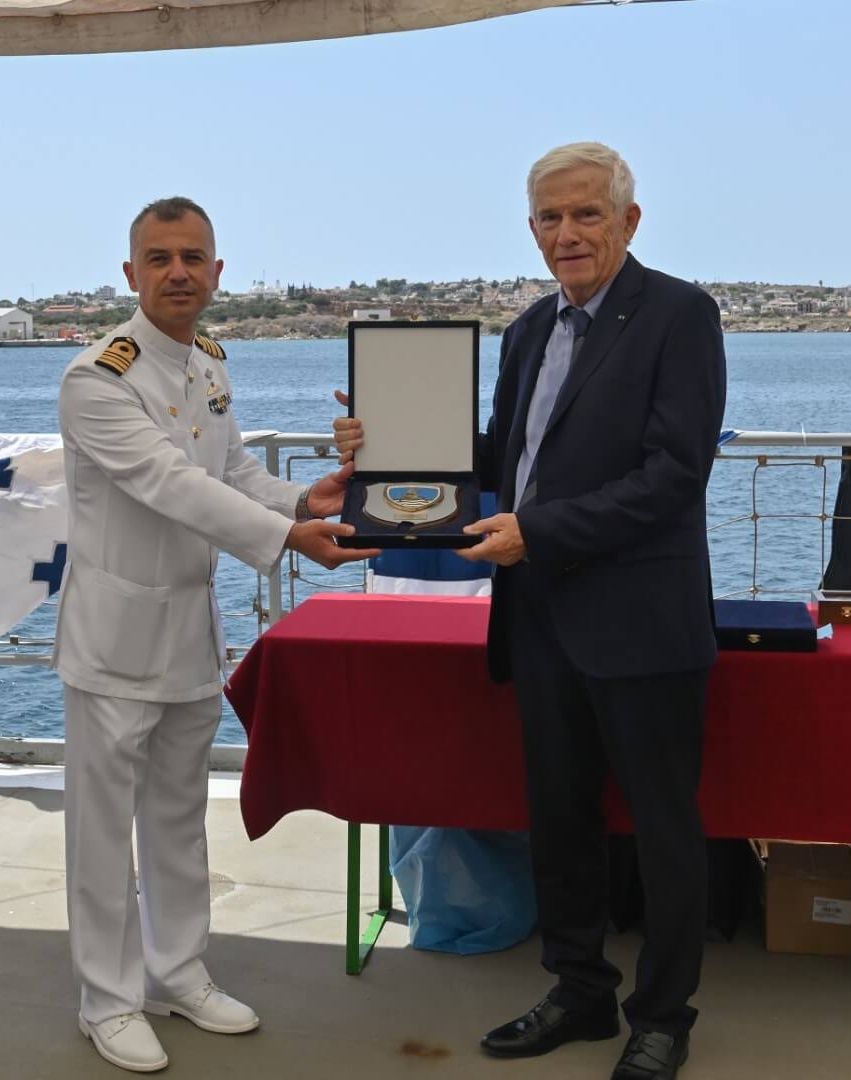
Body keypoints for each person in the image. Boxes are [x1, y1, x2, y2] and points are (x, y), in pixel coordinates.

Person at [334, 142, 726, 1080]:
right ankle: (579, 992)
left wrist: (536, 531)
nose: (566, 233)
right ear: (531, 230)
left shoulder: (680, 315)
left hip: (641, 622)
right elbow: (501, 459)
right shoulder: (525, 331)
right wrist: (385, 440)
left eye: (586, 214)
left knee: (665, 832)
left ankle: (662, 1017)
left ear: (628, 220)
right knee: (559, 821)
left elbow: (673, 476)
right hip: (540, 619)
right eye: (550, 218)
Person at [55, 196, 377, 1073]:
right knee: (100, 834)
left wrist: (303, 497)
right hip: (115, 640)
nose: (178, 273)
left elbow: (229, 471)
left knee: (176, 817)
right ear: (130, 274)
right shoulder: (97, 378)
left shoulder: (205, 361)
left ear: (217, 272)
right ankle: (106, 999)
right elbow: (169, 484)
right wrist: (287, 537)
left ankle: (177, 972)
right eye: (159, 259)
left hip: (190, 631)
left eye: (193, 257)